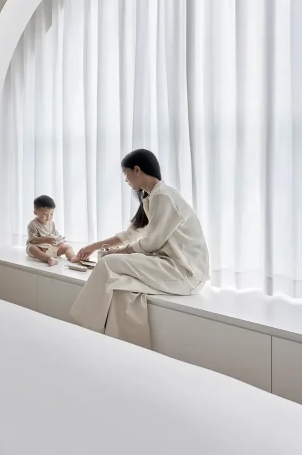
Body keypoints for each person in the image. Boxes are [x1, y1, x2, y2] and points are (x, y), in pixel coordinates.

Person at [69, 149, 209, 348]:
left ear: (137, 170)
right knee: (118, 285)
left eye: (125, 174)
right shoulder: (151, 198)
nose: (126, 180)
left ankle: (84, 331)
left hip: (185, 273)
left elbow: (152, 243)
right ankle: (122, 344)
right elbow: (131, 234)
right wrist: (94, 246)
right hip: (168, 266)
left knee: (107, 263)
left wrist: (118, 252)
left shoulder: (164, 197)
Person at [26, 195, 77, 267]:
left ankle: (73, 257)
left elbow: (55, 235)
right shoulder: (33, 224)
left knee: (67, 247)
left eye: (51, 214)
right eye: (45, 214)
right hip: (39, 247)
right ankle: (49, 259)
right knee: (31, 248)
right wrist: (46, 240)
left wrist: (59, 241)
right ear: (35, 212)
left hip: (50, 247)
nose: (49, 217)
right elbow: (33, 240)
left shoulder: (52, 223)